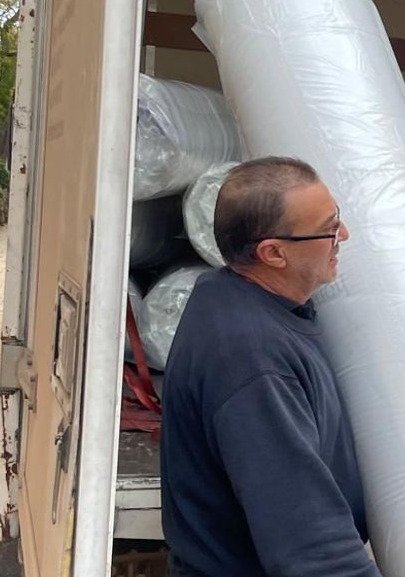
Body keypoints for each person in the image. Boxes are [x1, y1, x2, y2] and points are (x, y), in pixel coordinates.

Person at [161, 157, 382, 577]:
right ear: (273, 252)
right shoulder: (254, 361)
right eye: (329, 228)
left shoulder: (234, 297)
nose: (344, 236)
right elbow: (312, 548)